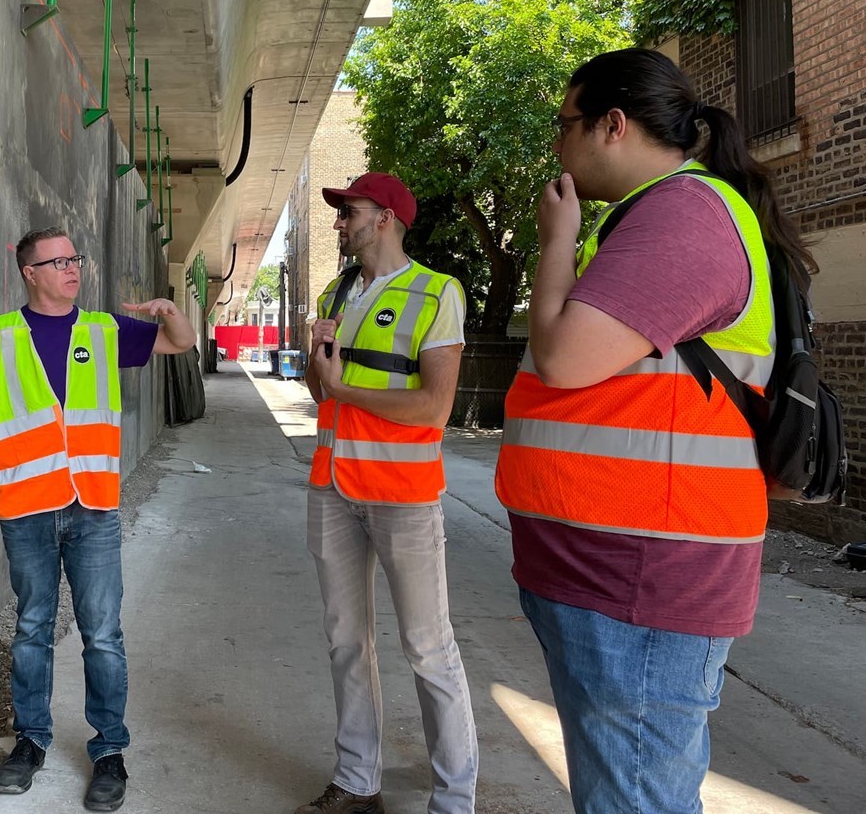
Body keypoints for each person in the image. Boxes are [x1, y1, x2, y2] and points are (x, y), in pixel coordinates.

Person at [495, 48, 819, 814]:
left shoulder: (684, 216)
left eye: (563, 124)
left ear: (611, 125)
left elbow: (564, 356)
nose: (556, 144)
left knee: (633, 798)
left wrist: (554, 243)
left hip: (641, 572)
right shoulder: (658, 217)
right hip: (613, 564)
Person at [0, 226, 196, 812]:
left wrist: (170, 313)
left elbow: (179, 343)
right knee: (32, 628)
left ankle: (110, 751)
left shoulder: (102, 328)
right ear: (30, 272)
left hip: (92, 505)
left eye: (76, 258)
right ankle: (30, 742)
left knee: (102, 634)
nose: (73, 268)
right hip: (27, 508)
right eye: (59, 261)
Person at [299, 172, 479, 814]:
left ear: (387, 218)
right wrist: (316, 369)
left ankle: (454, 801)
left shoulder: (436, 293)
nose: (341, 221)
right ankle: (356, 782)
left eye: (350, 211)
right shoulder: (336, 291)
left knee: (428, 648)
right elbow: (321, 391)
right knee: (346, 640)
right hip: (333, 488)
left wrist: (341, 387)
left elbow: (433, 408)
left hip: (402, 493)